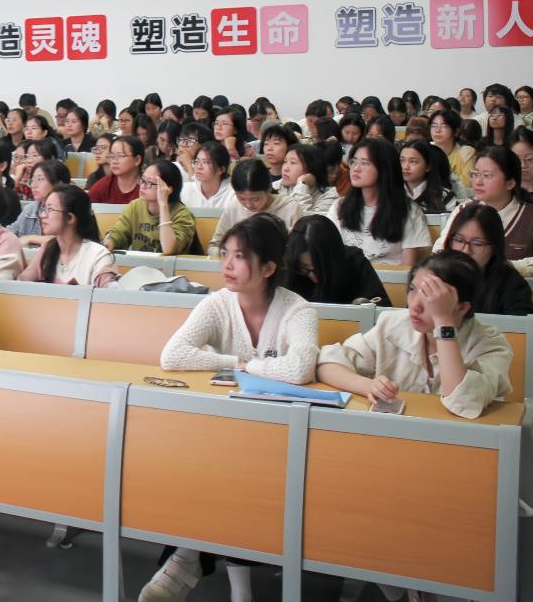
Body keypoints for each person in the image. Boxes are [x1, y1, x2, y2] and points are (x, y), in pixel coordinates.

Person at [144, 213, 317, 602]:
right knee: (210, 462)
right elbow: (172, 355)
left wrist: (246, 366)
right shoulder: (218, 303)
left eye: (239, 257)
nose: (227, 265)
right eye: (225, 254)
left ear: (268, 268)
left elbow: (301, 368)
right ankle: (212, 571)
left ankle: (187, 556)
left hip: (280, 436)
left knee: (236, 472)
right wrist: (234, 362)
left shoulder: (298, 310)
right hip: (227, 429)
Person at [316, 251, 513, 420]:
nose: (415, 305)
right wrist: (369, 386)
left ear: (462, 308)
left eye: (430, 297)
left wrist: (443, 322)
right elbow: (328, 364)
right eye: (412, 290)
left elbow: (463, 403)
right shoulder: (393, 323)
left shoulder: (491, 344)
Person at [431, 146, 533, 277]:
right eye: (475, 174)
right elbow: (438, 253)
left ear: (510, 183)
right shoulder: (463, 210)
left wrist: (510, 266)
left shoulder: (532, 216)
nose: (478, 182)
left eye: (487, 176)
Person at [328, 138, 430, 267]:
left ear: (384, 169)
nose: (356, 168)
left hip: (390, 278)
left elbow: (407, 268)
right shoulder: (339, 206)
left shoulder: (408, 210)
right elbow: (330, 254)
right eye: (353, 161)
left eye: (365, 163)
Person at [442, 203, 533, 315]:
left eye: (477, 243)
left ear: (494, 248)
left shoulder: (512, 284)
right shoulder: (437, 273)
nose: (466, 250)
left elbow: (521, 325)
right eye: (459, 240)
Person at [18, 184, 116, 286]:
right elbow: (22, 284)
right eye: (44, 209)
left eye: (50, 209)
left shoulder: (98, 256)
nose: (42, 215)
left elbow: (108, 293)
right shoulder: (48, 249)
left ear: (70, 218)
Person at [282, 215, 390, 306]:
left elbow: (380, 308)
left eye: (318, 269)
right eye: (305, 269)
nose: (314, 277)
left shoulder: (355, 262)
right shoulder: (291, 271)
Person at [207, 160, 301, 256]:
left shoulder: (290, 207)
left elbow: (299, 251)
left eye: (255, 199)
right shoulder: (234, 206)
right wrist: (234, 256)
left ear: (268, 189)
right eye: (241, 198)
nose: (248, 205)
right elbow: (215, 245)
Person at [104, 160, 195, 255]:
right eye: (143, 180)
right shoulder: (135, 206)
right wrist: (109, 243)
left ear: (167, 189)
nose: (143, 186)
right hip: (139, 263)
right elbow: (119, 233)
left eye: (149, 183)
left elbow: (169, 249)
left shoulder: (183, 215)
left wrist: (163, 204)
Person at [9, 159, 71, 242]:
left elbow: (72, 240)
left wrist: (31, 238)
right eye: (33, 180)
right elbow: (10, 232)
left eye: (40, 179)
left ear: (59, 184)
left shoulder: (70, 209)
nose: (33, 185)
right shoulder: (30, 210)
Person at [275, 143, 337, 215]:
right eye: (285, 161)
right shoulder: (277, 187)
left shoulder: (330, 195)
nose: (285, 168)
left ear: (311, 168)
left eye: (293, 163)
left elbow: (301, 218)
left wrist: (302, 184)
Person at [399, 140, 458, 214]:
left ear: (428, 166)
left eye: (413, 161)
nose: (405, 167)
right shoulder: (390, 193)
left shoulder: (444, 196)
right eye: (401, 161)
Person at [88, 135, 145, 204]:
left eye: (120, 156)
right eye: (112, 156)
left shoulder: (149, 187)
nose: (114, 161)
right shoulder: (102, 187)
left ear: (137, 160)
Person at [430, 109, 476, 189]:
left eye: (444, 126)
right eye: (434, 126)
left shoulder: (466, 153)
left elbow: (467, 185)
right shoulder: (424, 150)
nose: (437, 130)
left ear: (456, 131)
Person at [180, 141, 233, 208]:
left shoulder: (232, 193)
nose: (199, 166)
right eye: (197, 161)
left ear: (221, 169)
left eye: (206, 162)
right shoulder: (185, 190)